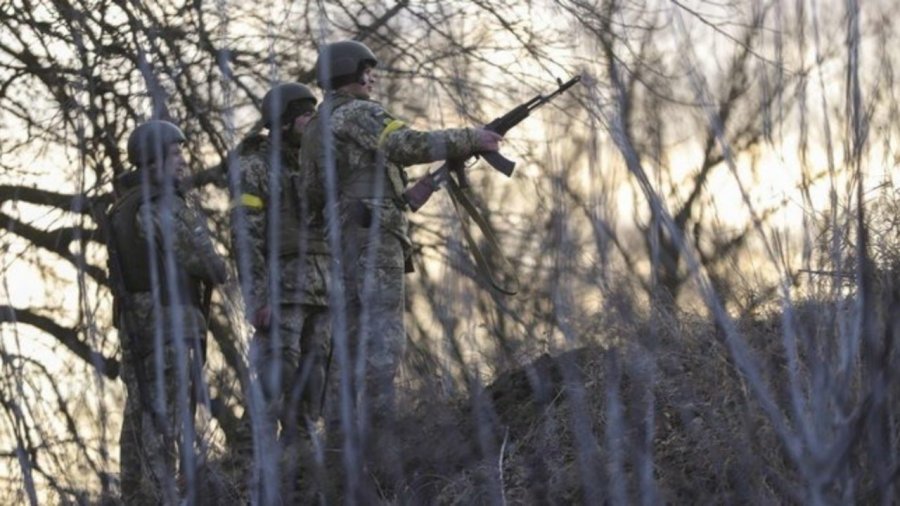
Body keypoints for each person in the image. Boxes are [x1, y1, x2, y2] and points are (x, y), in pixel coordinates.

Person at [299, 39, 502, 500]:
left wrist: (400, 200)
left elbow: (316, 197)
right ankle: (379, 450)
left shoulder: (316, 127)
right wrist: (473, 137)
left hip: (345, 239)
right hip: (371, 242)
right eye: (367, 70)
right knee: (381, 342)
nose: (372, 78)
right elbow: (407, 144)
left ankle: (339, 450)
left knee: (346, 346)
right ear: (351, 73)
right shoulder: (357, 112)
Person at [109, 119, 228, 505]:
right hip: (169, 322)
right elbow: (208, 264)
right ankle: (160, 497)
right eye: (174, 153)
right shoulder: (164, 205)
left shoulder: (122, 207)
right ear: (152, 160)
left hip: (134, 325)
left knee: (138, 413)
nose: (181, 160)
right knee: (167, 417)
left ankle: (135, 497)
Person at [229, 82, 330, 503]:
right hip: (282, 292)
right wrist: (256, 298)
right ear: (284, 122)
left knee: (313, 385)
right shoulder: (254, 168)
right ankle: (249, 467)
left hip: (323, 292)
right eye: (305, 116)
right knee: (275, 378)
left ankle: (299, 470)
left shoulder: (318, 165)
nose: (313, 123)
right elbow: (246, 236)